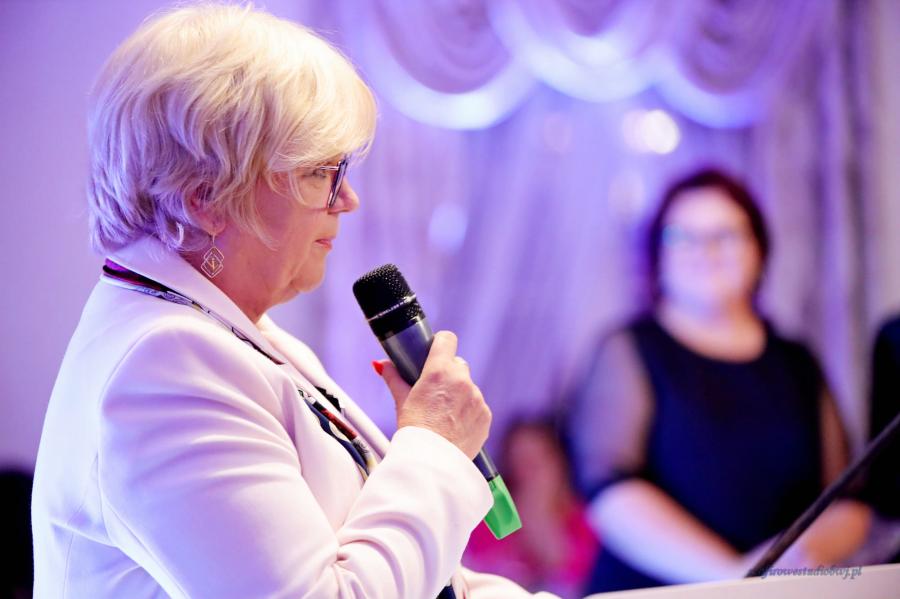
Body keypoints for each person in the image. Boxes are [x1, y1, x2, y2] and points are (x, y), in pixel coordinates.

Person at [30, 5, 556, 598]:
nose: (348, 199)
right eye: (319, 172)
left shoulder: (233, 332)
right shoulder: (165, 367)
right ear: (206, 197)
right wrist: (435, 443)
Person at [568, 168, 872, 593]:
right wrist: (734, 575)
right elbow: (609, 489)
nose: (705, 251)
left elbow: (848, 495)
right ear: (657, 255)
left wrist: (791, 562)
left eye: (725, 235)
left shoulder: (796, 360)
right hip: (654, 590)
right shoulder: (629, 349)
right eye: (682, 237)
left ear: (759, 249)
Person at [463, 418, 599, 598]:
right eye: (521, 460)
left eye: (539, 459)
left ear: (559, 462)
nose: (531, 470)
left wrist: (540, 514)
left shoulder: (583, 519)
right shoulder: (490, 514)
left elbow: (568, 583)